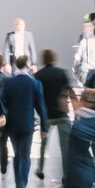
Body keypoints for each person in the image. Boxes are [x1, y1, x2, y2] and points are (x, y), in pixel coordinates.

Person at [0, 56, 47, 188]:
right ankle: (22, 185)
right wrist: (44, 127)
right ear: (27, 66)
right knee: (25, 155)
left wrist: (0, 126)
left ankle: (17, 184)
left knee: (17, 155)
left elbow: (2, 105)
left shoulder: (8, 83)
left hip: (12, 125)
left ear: (15, 66)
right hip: (27, 125)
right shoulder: (35, 83)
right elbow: (41, 107)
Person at [33, 49, 73, 181]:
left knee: (43, 144)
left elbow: (36, 98)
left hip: (46, 116)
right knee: (65, 148)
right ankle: (66, 174)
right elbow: (69, 92)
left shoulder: (38, 75)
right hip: (62, 115)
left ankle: (40, 168)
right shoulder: (62, 73)